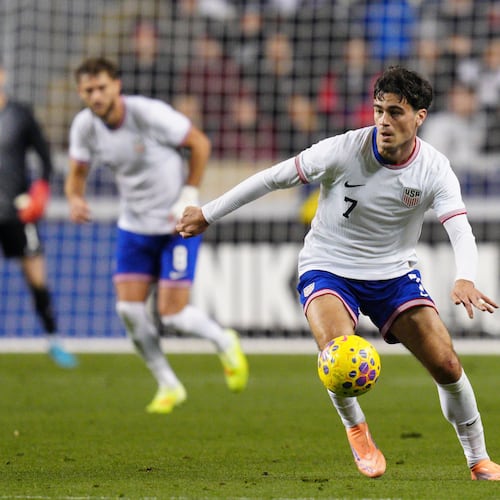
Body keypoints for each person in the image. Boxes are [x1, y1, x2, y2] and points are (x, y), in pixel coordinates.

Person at [176, 66, 500, 480]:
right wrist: (208, 213)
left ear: (419, 117)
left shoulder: (434, 169)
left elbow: (459, 227)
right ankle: (357, 429)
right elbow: (272, 178)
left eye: (396, 112)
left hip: (393, 273)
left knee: (448, 365)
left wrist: (465, 276)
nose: (383, 121)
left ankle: (478, 459)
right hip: (328, 266)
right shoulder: (344, 149)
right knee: (339, 355)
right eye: (379, 110)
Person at [65, 57, 248, 414]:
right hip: (134, 226)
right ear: (81, 93)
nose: (97, 95)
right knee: (128, 310)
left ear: (117, 85)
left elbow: (199, 143)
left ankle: (223, 339)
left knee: (173, 315)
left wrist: (189, 194)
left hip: (176, 224)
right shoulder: (85, 127)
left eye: (102, 87)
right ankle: (168, 383)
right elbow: (76, 172)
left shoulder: (147, 114)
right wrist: (74, 198)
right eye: (89, 90)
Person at [0, 66, 78, 369]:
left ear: (3, 75)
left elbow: (45, 157)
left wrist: (41, 190)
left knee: (36, 278)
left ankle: (54, 339)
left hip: (19, 211)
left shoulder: (20, 114)